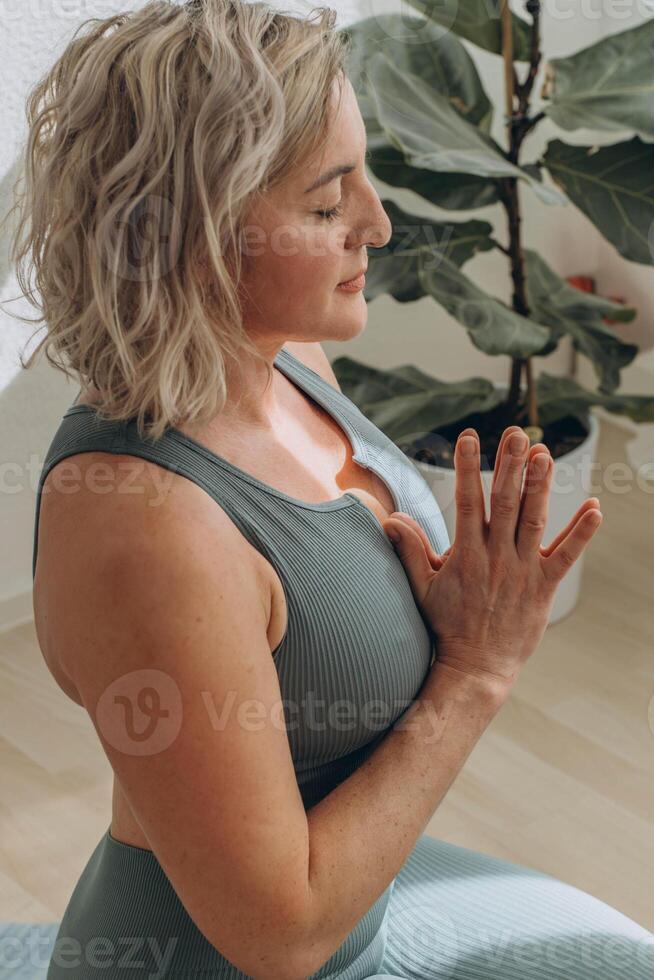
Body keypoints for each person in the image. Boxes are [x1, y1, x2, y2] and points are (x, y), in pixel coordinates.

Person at [11, 1, 652, 977]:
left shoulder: (285, 354)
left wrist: (443, 608)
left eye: (365, 178)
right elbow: (280, 931)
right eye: (326, 202)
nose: (378, 224)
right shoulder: (144, 526)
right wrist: (474, 672)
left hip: (372, 913)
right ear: (196, 234)